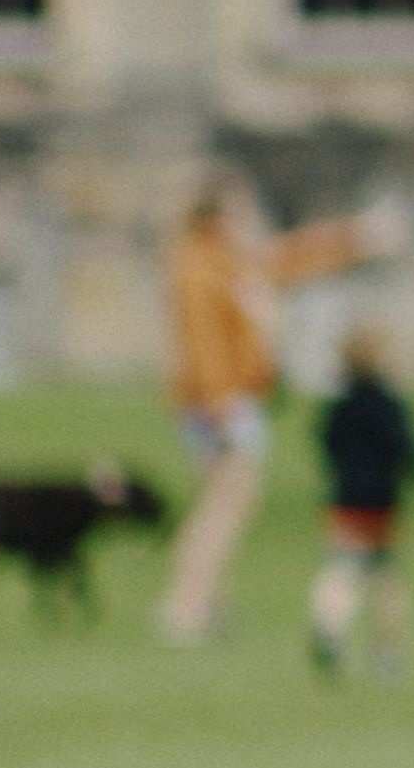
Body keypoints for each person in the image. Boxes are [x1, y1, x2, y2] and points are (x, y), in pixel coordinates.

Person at [149, 174, 373, 652]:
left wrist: (356, 236)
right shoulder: (199, 268)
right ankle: (184, 606)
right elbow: (204, 344)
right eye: (241, 212)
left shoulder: (231, 262)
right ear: (216, 217)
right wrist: (222, 405)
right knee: (224, 504)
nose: (251, 222)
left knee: (226, 500)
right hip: (220, 404)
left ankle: (205, 600)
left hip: (235, 399)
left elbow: (292, 257)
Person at [303, 334, 414, 682]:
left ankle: (329, 625)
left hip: (344, 503)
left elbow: (325, 445)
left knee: (342, 570)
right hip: (381, 506)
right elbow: (407, 449)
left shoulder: (337, 408)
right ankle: (387, 654)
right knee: (385, 580)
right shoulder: (389, 406)